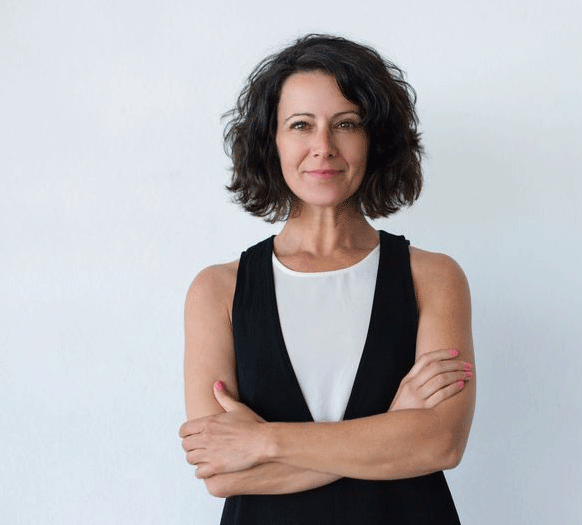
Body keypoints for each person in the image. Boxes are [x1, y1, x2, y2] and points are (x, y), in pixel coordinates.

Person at [179, 34, 476, 524]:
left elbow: (439, 443)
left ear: (375, 139)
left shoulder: (434, 278)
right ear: (270, 142)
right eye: (301, 125)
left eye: (346, 124)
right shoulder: (217, 291)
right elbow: (222, 473)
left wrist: (263, 440)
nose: (323, 147)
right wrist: (393, 432)